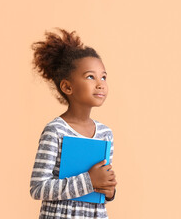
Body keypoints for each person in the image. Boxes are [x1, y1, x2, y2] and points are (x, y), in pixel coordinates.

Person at [29, 28, 117, 219]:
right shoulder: (55, 131)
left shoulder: (105, 133)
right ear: (67, 87)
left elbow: (102, 191)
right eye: (90, 77)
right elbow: (38, 188)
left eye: (103, 77)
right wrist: (89, 180)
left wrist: (109, 190)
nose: (100, 83)